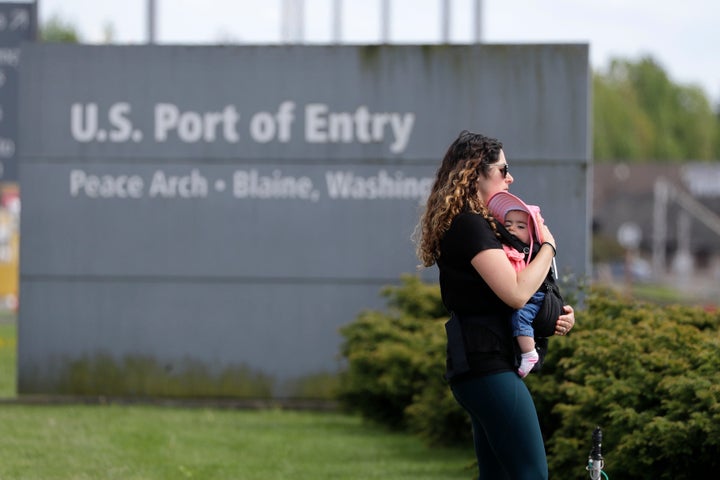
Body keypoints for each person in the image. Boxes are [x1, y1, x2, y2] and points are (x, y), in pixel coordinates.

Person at [415, 130, 575, 479]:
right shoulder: (470, 227)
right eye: (504, 169)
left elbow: (510, 299)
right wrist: (548, 246)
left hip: (482, 366)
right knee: (532, 474)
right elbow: (515, 292)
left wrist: (550, 317)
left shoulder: (477, 226)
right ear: (476, 172)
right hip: (487, 366)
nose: (510, 177)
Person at [486, 190, 551, 378]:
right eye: (508, 224)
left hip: (534, 297)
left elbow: (544, 287)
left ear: (532, 235)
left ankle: (529, 352)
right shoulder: (502, 247)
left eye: (521, 226)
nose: (513, 229)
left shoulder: (535, 254)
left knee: (521, 316)